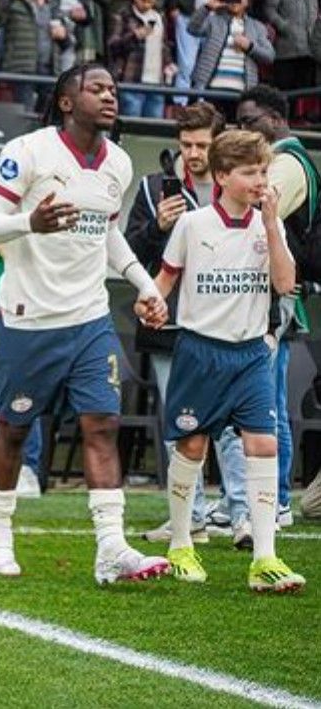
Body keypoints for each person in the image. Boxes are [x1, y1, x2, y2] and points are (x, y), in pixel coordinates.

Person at [0, 63, 171, 584]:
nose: (110, 96)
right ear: (66, 101)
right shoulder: (30, 152)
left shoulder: (120, 164)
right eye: (97, 88)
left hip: (89, 316)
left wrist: (145, 284)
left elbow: (106, 235)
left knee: (101, 423)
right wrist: (27, 222)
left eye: (113, 88)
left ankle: (110, 546)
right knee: (13, 429)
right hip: (28, 317)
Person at [142, 129, 305, 593]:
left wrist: (272, 224)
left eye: (263, 171)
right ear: (222, 176)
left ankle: (265, 558)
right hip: (200, 350)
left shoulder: (267, 225)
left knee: (263, 445)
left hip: (253, 352)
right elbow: (166, 278)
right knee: (192, 447)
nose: (260, 180)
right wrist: (149, 301)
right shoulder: (193, 226)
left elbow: (286, 281)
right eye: (249, 172)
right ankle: (180, 542)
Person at [124, 103, 253, 548]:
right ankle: (190, 516)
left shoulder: (238, 188)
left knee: (233, 428)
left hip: (229, 326)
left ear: (219, 142)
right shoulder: (154, 186)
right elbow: (128, 254)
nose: (193, 153)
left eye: (202, 144)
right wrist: (158, 227)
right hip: (169, 326)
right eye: (186, 144)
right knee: (179, 424)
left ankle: (243, 517)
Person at [238, 85, 310, 526]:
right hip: (270, 296)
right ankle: (265, 497)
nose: (244, 129)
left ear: (276, 118)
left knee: (270, 404)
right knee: (265, 401)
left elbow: (258, 208)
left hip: (278, 300)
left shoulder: (288, 164)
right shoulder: (283, 161)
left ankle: (278, 498)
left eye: (250, 121)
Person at [0, 0, 71, 108]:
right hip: (22, 68)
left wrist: (64, 35)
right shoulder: (14, 1)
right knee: (24, 114)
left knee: (46, 117)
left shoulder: (52, 3)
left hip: (50, 69)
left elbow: (67, 43)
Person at [187, 0, 274, 96]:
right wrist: (207, 7)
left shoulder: (257, 27)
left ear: (247, 1)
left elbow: (269, 56)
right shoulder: (214, 21)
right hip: (210, 87)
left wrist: (249, 46)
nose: (235, 1)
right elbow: (192, 28)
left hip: (242, 91)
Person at [106, 0, 173, 118]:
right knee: (131, 126)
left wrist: (168, 63)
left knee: (153, 130)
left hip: (157, 82)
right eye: (143, 0)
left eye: (151, 1)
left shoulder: (160, 16)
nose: (147, 5)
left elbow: (164, 44)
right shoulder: (122, 15)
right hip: (131, 79)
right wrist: (135, 36)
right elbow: (112, 46)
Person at [263, 0, 321, 96]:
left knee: (305, 92)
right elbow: (269, 9)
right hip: (287, 48)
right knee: (284, 90)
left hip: (310, 48)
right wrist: (283, 26)